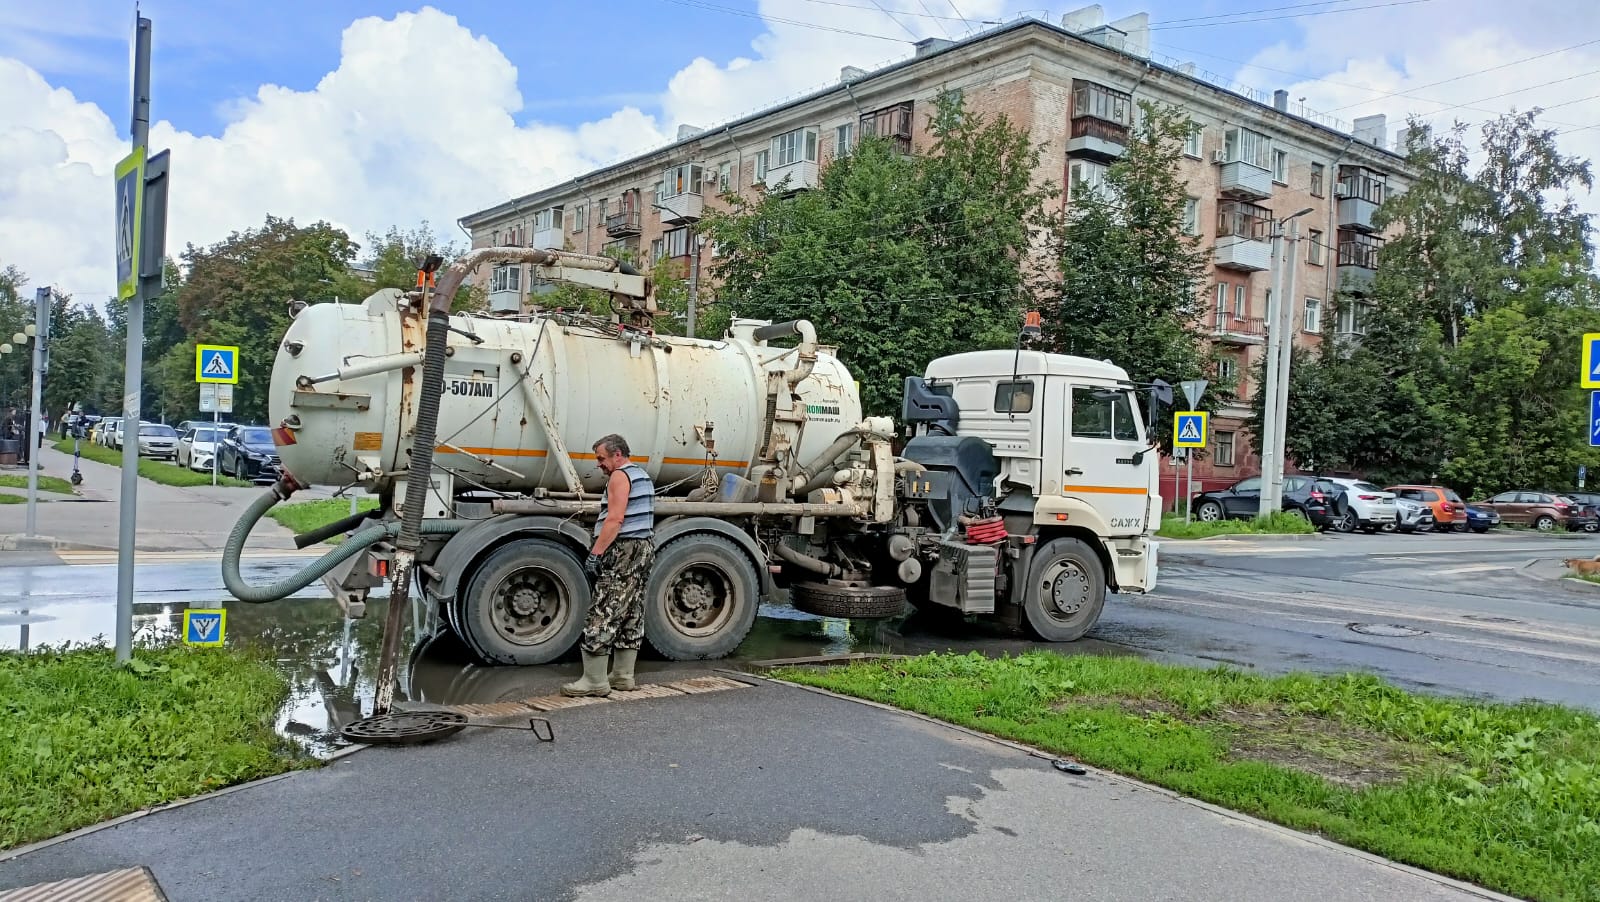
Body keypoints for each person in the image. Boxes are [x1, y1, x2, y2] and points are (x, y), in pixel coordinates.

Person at [562, 433, 656, 698]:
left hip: (623, 549)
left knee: (603, 610)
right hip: (643, 548)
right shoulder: (642, 475)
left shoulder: (619, 476)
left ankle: (594, 681)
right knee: (632, 609)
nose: (599, 464)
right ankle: (623, 676)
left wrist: (596, 553)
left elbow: (615, 520)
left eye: (601, 458)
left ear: (617, 454)